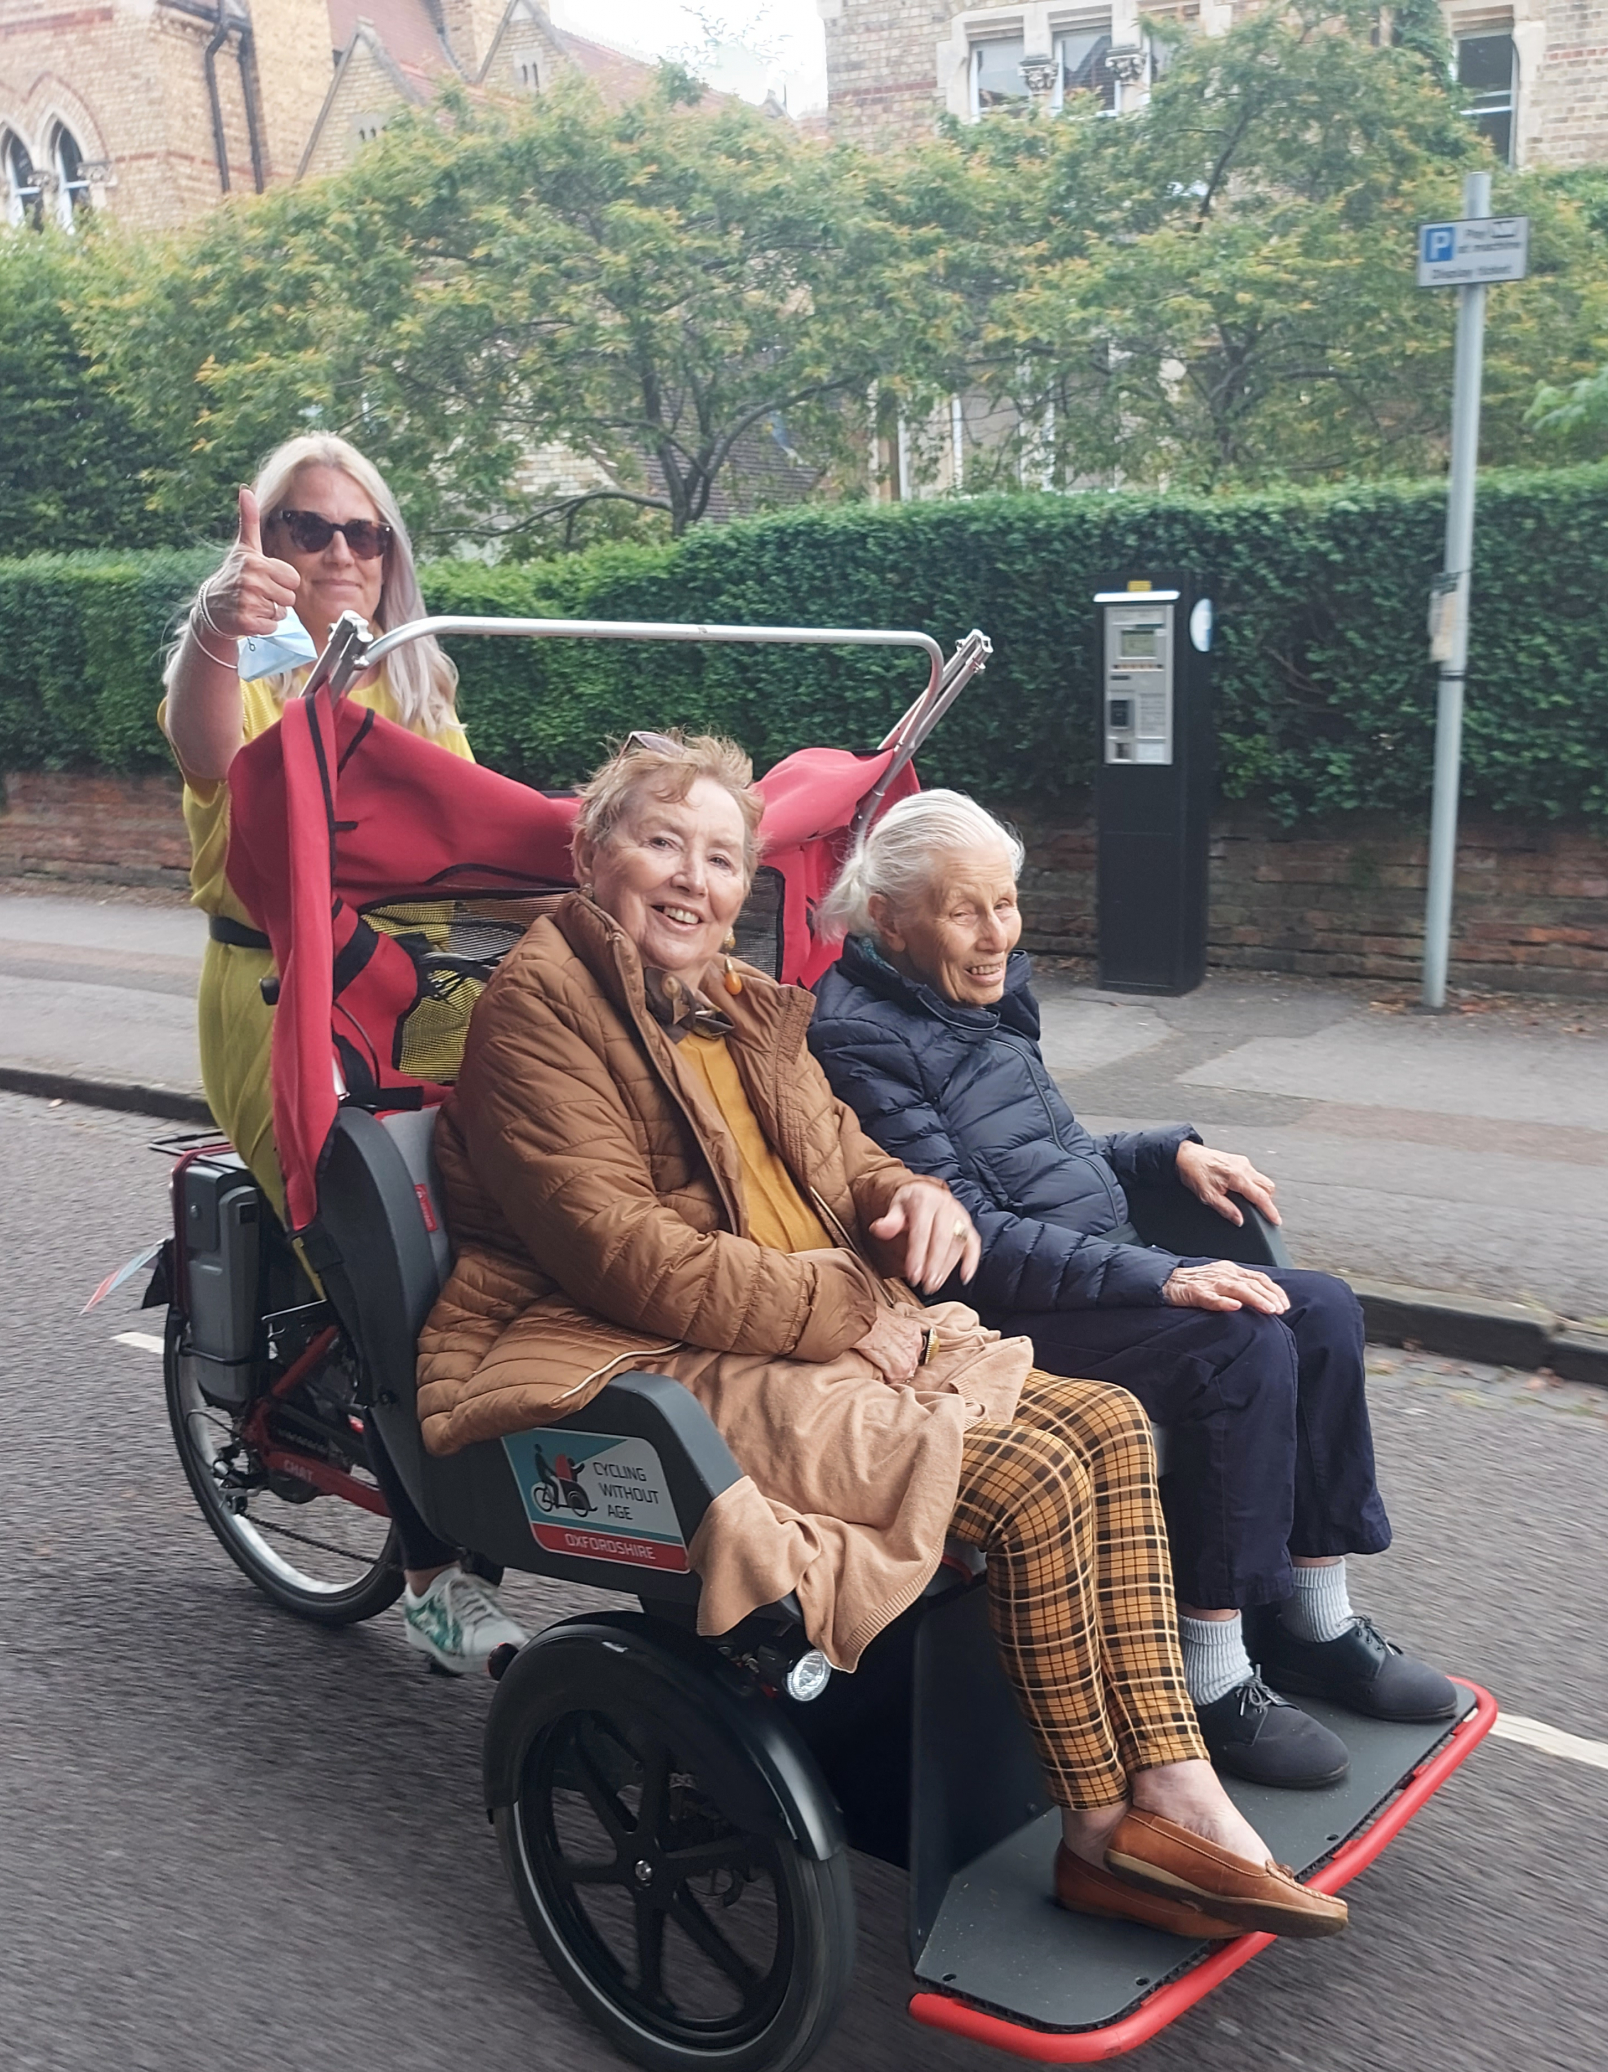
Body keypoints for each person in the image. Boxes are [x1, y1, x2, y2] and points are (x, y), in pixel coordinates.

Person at [414, 731, 1349, 1943]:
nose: (694, 881)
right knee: (1023, 1481)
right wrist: (852, 1306)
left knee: (1110, 1425)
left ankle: (1165, 1791)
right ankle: (1098, 1822)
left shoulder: (738, 1000)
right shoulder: (539, 1011)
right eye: (663, 846)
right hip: (635, 1348)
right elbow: (622, 1255)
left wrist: (910, 1193)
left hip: (794, 1323)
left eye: (721, 857)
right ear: (596, 856)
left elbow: (841, 1151)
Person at [807, 789, 1458, 1788]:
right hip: (1005, 1315)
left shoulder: (970, 996)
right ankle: (1211, 1673)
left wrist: (1169, 1153)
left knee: (1319, 1309)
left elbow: (1051, 1153)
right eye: (966, 910)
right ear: (890, 920)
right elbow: (974, 1236)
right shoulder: (864, 1040)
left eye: (1008, 904)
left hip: (1086, 1268)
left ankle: (1315, 1624)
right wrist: (1171, 1273)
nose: (997, 936)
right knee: (1239, 1345)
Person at [161, 431, 522, 1676]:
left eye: (363, 531)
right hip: (276, 996)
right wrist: (219, 619)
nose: (337, 552)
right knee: (389, 1256)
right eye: (306, 527)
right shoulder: (252, 674)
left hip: (412, 986)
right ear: (268, 542)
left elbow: (483, 853)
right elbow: (204, 743)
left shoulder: (416, 689)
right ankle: (431, 1577)